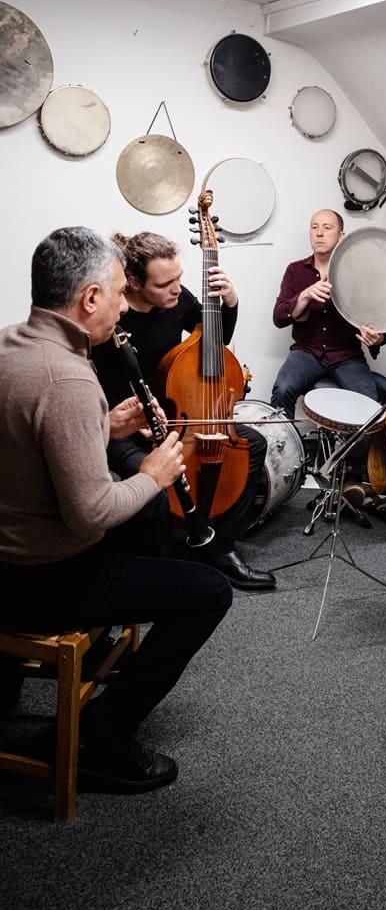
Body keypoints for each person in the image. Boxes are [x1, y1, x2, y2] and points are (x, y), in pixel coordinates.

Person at [0, 227, 233, 792]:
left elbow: (33, 439)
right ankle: (102, 735)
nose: (124, 304)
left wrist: (108, 425)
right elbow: (89, 514)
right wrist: (154, 475)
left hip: (9, 550)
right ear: (89, 299)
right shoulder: (69, 377)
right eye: (116, 292)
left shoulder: (13, 344)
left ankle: (113, 651)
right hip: (38, 578)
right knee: (208, 593)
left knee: (150, 522)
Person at [92, 232, 274, 591]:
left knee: (251, 445)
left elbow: (212, 342)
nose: (178, 289)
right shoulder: (110, 315)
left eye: (178, 278)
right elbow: (96, 385)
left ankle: (220, 544)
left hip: (176, 413)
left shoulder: (176, 299)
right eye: (165, 284)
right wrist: (127, 419)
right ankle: (166, 564)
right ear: (133, 283)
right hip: (122, 423)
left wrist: (231, 302)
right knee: (151, 479)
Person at [271, 209, 386, 491]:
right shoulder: (295, 271)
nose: (319, 233)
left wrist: (377, 338)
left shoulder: (358, 275)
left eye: (327, 227)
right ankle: (282, 465)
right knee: (282, 389)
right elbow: (279, 317)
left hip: (346, 354)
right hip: (306, 351)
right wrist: (304, 296)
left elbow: (378, 326)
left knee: (370, 409)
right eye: (314, 227)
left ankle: (348, 475)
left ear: (341, 236)